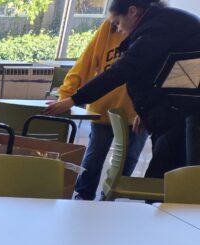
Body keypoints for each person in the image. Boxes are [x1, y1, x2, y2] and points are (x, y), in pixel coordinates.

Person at [46, 0, 200, 177]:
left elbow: (122, 70)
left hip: (189, 111)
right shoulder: (164, 23)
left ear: (132, 11)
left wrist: (74, 99)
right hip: (180, 108)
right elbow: (160, 75)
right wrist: (146, 111)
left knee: (183, 174)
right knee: (169, 174)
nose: (118, 29)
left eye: (118, 22)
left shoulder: (156, 29)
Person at [58, 19, 148, 200]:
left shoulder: (151, 30)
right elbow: (86, 61)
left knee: (128, 159)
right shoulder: (111, 25)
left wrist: (147, 109)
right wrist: (67, 95)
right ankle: (83, 196)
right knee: (94, 156)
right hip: (104, 107)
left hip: (138, 110)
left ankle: (110, 198)